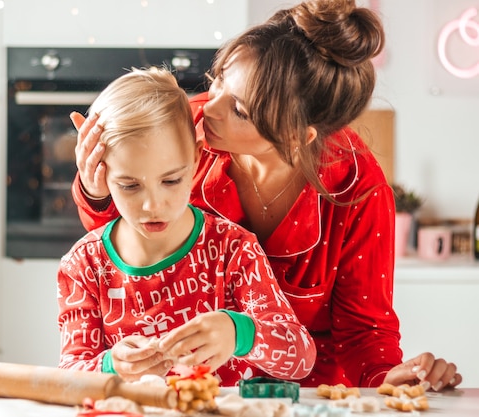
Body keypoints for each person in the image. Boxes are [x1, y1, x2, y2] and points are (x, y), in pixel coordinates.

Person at [70, 0, 462, 390]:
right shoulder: (188, 125)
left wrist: (388, 379)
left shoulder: (359, 192)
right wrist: (97, 190)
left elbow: (364, 331)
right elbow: (124, 238)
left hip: (306, 396)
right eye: (219, 79)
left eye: (240, 109)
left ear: (296, 135)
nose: (210, 108)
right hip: (200, 390)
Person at [57, 67, 316, 386]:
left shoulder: (233, 251)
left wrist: (239, 333)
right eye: (129, 185)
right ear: (100, 173)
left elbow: (301, 357)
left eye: (171, 180)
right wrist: (111, 365)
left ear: (196, 158)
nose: (153, 205)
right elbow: (68, 372)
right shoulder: (83, 265)